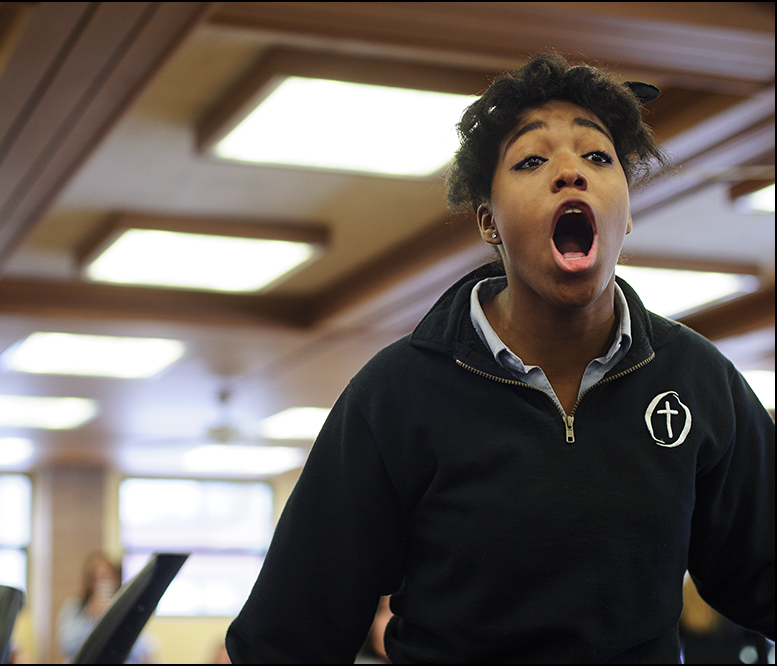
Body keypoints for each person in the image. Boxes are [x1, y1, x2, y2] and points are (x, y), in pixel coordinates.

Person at [225, 53, 775, 663]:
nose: (571, 172)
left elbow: (764, 571)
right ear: (489, 222)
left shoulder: (696, 380)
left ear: (626, 211)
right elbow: (287, 635)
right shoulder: (398, 393)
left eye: (598, 156)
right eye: (532, 160)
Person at [56, 552, 156, 663]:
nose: (104, 582)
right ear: (89, 581)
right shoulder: (75, 607)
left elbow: (141, 649)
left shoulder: (124, 609)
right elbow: (67, 647)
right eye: (98, 577)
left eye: (108, 576)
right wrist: (90, 616)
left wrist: (115, 615)